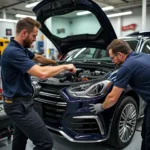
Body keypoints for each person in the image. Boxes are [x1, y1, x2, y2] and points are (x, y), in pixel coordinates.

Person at [1, 17, 76, 150]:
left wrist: (57, 63)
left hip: (20, 102)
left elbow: (38, 57)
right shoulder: (13, 52)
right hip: (18, 106)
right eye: (34, 35)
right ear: (24, 33)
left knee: (20, 138)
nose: (35, 39)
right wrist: (64, 67)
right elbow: (41, 73)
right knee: (45, 143)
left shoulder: (20, 48)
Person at [89, 39, 150, 150]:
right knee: (145, 131)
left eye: (112, 58)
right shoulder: (142, 56)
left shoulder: (126, 67)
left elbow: (112, 98)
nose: (112, 61)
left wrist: (101, 107)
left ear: (121, 55)